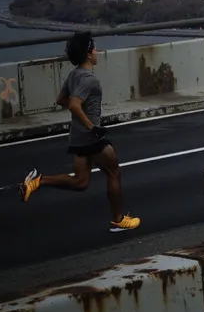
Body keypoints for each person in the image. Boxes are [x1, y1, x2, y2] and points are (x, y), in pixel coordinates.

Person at [19, 33, 141, 233]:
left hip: (77, 137)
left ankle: (37, 181)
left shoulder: (74, 75)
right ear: (88, 54)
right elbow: (75, 105)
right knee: (113, 172)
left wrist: (81, 114)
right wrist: (92, 126)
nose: (97, 52)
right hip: (91, 137)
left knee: (81, 182)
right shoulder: (89, 80)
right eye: (94, 49)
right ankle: (118, 220)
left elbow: (61, 100)